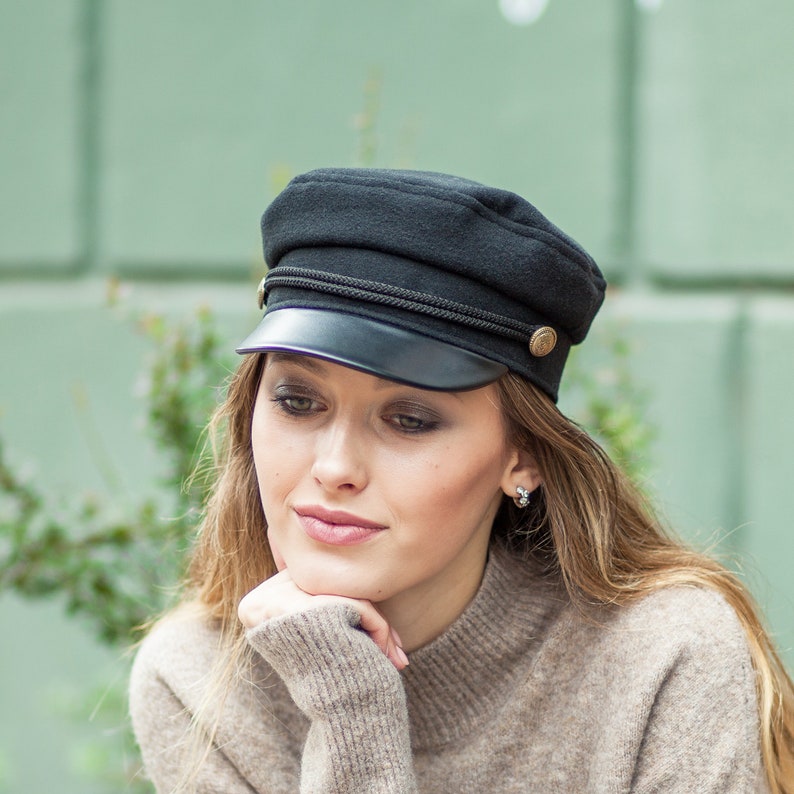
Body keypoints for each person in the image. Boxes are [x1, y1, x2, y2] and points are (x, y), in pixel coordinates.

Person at [129, 168, 794, 793]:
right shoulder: (196, 681)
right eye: (299, 403)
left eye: (410, 419)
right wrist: (345, 696)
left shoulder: (661, 658)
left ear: (522, 458)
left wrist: (353, 705)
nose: (334, 469)